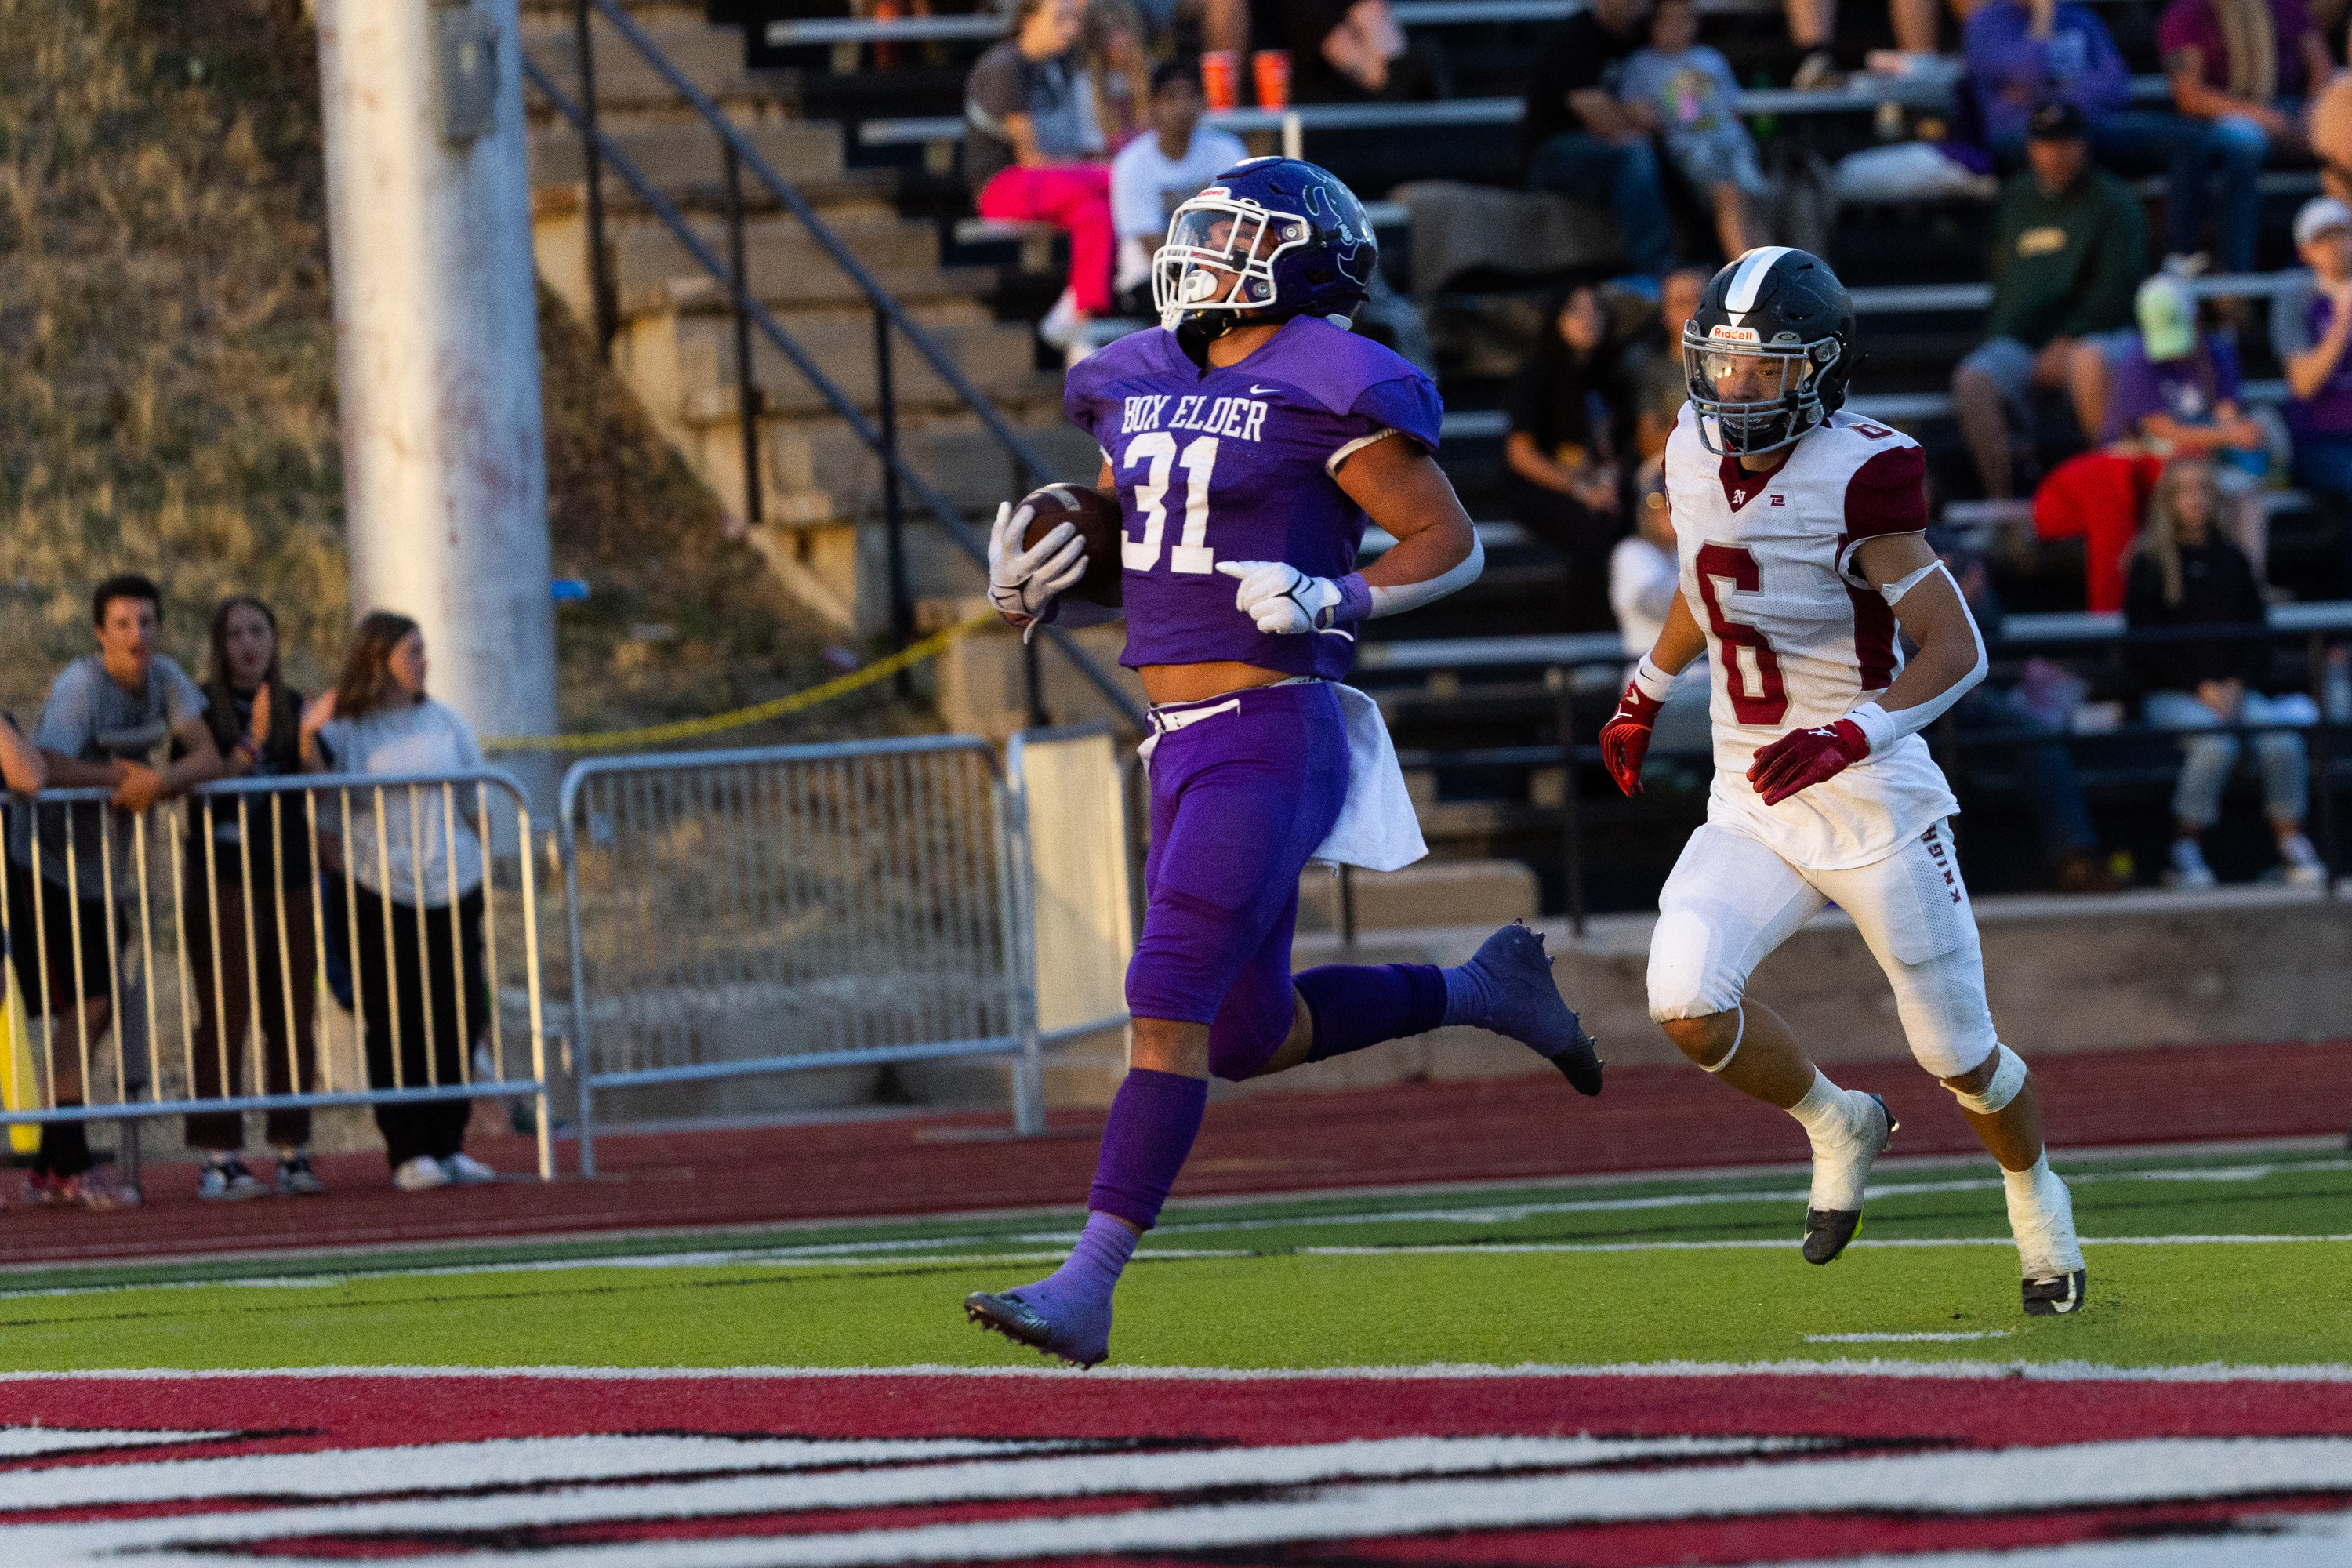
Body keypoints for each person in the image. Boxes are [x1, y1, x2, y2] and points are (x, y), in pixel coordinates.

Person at [964, 156, 1603, 1368]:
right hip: (1180, 743)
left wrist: (1335, 591)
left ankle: (1087, 1285)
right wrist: (1046, 578)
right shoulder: (1137, 377)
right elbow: (1143, 548)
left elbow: (1447, 541)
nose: (1197, 248)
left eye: (1228, 233)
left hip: (1273, 728)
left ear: (1300, 260)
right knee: (1250, 1032)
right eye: (1198, 227)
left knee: (1164, 1003)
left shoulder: (1327, 383)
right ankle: (1487, 989)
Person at [1600, 246, 2088, 1317]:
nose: (1735, 387)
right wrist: (1645, 687)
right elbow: (1713, 582)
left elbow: (1955, 650)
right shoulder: (1686, 446)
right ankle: (1836, 1119)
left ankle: (2036, 1202)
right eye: (1721, 362)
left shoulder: (1861, 471)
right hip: (1751, 791)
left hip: (1869, 799)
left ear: (1822, 371)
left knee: (1959, 1057)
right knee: (1685, 1000)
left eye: (1764, 367)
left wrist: (1851, 736)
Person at [5, 575, 221, 1207]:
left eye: (147, 622)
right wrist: (116, 778)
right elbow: (44, 766)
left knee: (94, 1011)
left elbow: (207, 755)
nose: (137, 637)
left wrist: (159, 782)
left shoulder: (167, 679)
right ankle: (67, 1162)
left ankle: (51, 1161)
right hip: (44, 863)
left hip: (105, 877)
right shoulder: (80, 688)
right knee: (91, 1005)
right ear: (100, 633)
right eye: (122, 625)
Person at [299, 612, 499, 1193]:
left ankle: (448, 1141)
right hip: (380, 887)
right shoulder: (348, 731)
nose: (423, 660)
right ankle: (408, 1148)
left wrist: (482, 866)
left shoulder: (445, 723)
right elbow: (323, 802)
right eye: (412, 650)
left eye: (424, 649)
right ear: (378, 657)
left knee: (460, 1014)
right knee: (395, 1018)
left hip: (452, 884)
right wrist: (307, 737)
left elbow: (472, 802)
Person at [176, 597, 325, 1201]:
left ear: (274, 638)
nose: (247, 644)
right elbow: (189, 779)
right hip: (222, 876)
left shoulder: (293, 706)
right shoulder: (198, 710)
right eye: (235, 633)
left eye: (258, 631)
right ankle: (220, 1155)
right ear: (220, 643)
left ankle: (293, 1150)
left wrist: (308, 732)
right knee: (224, 1010)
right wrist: (252, 741)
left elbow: (322, 778)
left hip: (288, 872)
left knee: (291, 1011)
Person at [2126, 459, 2328, 888]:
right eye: (2184, 490)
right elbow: (2145, 647)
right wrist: (2199, 687)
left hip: (2235, 690)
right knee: (2215, 744)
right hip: (2172, 693)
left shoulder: (2233, 557)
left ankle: (2291, 846)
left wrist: (2236, 683)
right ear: (2167, 501)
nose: (2195, 498)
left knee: (2283, 741)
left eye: (2202, 488)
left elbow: (2256, 634)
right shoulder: (2148, 562)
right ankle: (2184, 851)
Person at [1951, 101, 2146, 500]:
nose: (2055, 153)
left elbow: (2118, 291)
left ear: (2083, 145)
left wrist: (2069, 337)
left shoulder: (2114, 203)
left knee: (2088, 361)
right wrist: (2010, 339)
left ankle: (2114, 497)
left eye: (2065, 142)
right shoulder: (2015, 198)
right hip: (2024, 341)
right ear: (2031, 148)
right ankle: (2005, 505)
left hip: (2096, 335)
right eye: (2045, 143)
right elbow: (2005, 281)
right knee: (1972, 380)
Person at [1932, 531, 2120, 892]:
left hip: (1967, 691)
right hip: (1899, 693)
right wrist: (1952, 603)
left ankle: (2073, 860)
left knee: (2037, 734)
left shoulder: (1954, 545)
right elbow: (1894, 636)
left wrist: (1970, 602)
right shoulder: (1873, 544)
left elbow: (1992, 626)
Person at [965, 0, 1113, 350]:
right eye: (1061, 18)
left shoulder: (1056, 66)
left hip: (1051, 183)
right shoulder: (1005, 65)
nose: (1072, 28)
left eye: (1074, 19)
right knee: (1115, 180)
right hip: (1002, 186)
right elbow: (1030, 159)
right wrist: (1096, 170)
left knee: (1097, 215)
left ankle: (1075, 312)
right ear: (1030, 19)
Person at [2159, 0, 2332, 272]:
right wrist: (2263, 118)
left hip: (2291, 108)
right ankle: (2236, 276)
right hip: (2222, 118)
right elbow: (2189, 96)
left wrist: (2313, 110)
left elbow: (2321, 66)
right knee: (2244, 145)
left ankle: (2336, 257)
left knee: (2338, 128)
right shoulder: (2189, 12)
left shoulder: (2288, 5)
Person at [1505, 285, 1632, 633]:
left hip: (1596, 484)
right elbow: (1520, 454)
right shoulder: (1537, 373)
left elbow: (1615, 444)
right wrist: (1578, 487)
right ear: (1557, 319)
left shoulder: (1609, 375)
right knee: (1591, 530)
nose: (1588, 320)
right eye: (1576, 310)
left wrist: (1607, 479)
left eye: (1596, 310)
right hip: (1545, 487)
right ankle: (1579, 644)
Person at [1519, 0, 1677, 279]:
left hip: (1613, 150)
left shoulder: (1641, 36)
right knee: (1633, 151)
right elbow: (1601, 119)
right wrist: (1635, 114)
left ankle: (1710, 262)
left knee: (1682, 147)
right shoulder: (1572, 37)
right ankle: (1658, 271)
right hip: (1552, 156)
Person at [1619, 0, 1770, 263]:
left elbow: (1732, 109)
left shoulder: (1711, 58)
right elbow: (1634, 110)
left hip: (1730, 143)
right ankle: (1748, 269)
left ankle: (1769, 269)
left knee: (1750, 204)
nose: (1675, 28)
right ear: (1653, 25)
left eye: (1683, 20)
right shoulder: (1642, 64)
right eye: (1667, 20)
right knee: (1729, 195)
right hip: (1689, 149)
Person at [1111, 62, 1248, 307]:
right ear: (1153, 105)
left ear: (1203, 101)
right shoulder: (1131, 163)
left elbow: (1243, 227)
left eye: (1191, 96)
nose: (1182, 107)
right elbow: (1154, 249)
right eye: (1171, 97)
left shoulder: (1227, 150)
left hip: (1217, 272)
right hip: (1150, 278)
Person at [2271, 195, 2352, 510]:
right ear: (2304, 251)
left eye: (2342, 234)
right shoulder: (2295, 294)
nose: (2335, 245)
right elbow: (2303, 384)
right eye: (2323, 239)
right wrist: (2342, 323)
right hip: (2320, 439)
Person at [1633, 267, 1711, 464]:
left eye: (1701, 300)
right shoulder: (1655, 369)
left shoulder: (1739, 360)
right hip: (1678, 461)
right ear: (1664, 313)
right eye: (1681, 303)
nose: (1693, 310)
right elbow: (1647, 442)